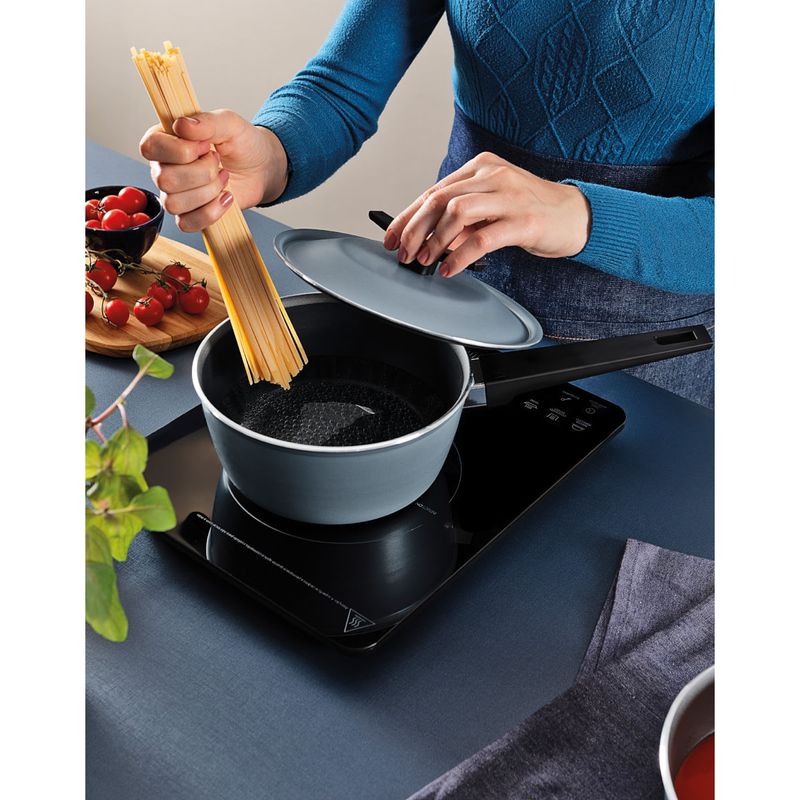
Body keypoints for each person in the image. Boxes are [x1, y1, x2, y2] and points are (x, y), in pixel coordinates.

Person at [140, 0, 715, 407]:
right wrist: (269, 155)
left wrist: (579, 214)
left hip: (644, 364)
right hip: (450, 309)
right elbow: (341, 87)